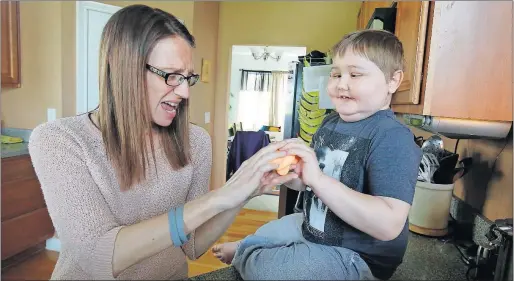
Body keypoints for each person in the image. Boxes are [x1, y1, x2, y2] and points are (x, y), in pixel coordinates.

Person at [28, 4, 297, 280]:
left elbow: (192, 246)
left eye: (187, 78)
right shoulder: (58, 141)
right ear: (121, 67)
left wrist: (247, 190)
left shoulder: (196, 142)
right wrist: (219, 197)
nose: (183, 91)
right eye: (171, 75)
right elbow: (99, 256)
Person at [212, 29, 422, 280]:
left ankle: (246, 254)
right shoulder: (330, 123)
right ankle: (248, 248)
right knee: (268, 231)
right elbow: (310, 182)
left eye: (355, 74)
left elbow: (388, 224)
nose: (341, 83)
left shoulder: (392, 137)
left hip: (355, 256)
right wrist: (292, 175)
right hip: (310, 227)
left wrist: (318, 180)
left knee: (270, 271)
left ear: (393, 81)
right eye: (336, 74)